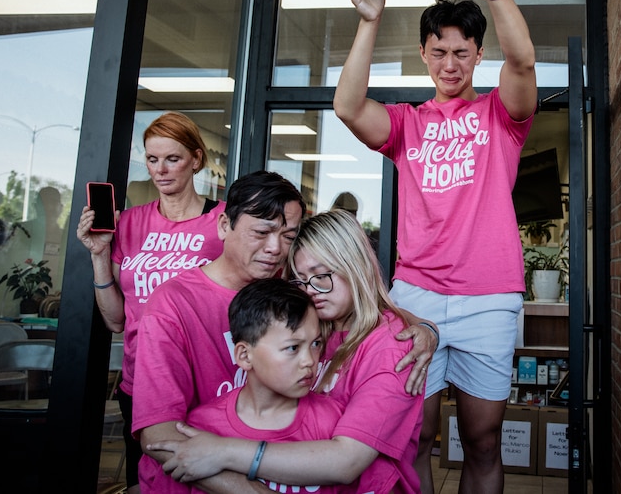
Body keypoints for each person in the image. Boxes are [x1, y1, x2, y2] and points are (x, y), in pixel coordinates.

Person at [333, 0, 538, 494]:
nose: (450, 64)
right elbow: (348, 106)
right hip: (416, 297)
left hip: (489, 297)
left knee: (483, 440)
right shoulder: (406, 124)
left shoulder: (503, 116)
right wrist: (369, 18)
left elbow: (522, 59)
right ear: (424, 53)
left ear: (478, 55)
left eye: (463, 52)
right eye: (439, 52)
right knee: (410, 437)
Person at [148, 209, 425, 493]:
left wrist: (224, 451)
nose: (311, 291)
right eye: (301, 280)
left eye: (321, 276)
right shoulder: (316, 326)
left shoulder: (393, 346)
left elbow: (347, 462)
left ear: (355, 267)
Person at [75, 110, 225, 492]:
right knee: (147, 482)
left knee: (204, 480)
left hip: (204, 380)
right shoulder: (128, 223)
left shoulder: (221, 221)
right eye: (152, 159)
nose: (160, 169)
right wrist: (98, 256)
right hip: (140, 381)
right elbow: (114, 321)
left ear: (196, 159)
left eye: (172, 159)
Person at [133, 169, 305, 493]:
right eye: (262, 232)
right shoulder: (172, 305)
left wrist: (423, 327)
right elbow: (158, 435)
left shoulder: (292, 295)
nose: (275, 248)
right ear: (225, 226)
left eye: (288, 236)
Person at [181, 278, 351, 494]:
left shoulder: (333, 424)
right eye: (292, 348)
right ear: (244, 355)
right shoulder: (200, 430)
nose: (309, 360)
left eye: (316, 344)